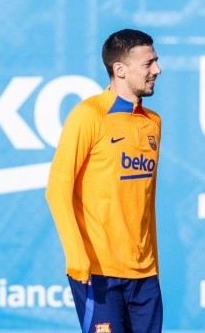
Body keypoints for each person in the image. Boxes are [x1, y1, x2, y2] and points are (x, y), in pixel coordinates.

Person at [46, 29, 163, 333]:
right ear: (120, 70)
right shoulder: (88, 115)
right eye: (148, 63)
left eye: (156, 62)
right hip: (98, 272)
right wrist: (76, 258)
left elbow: (145, 200)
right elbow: (57, 190)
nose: (157, 70)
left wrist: (154, 266)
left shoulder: (153, 123)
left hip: (145, 275)